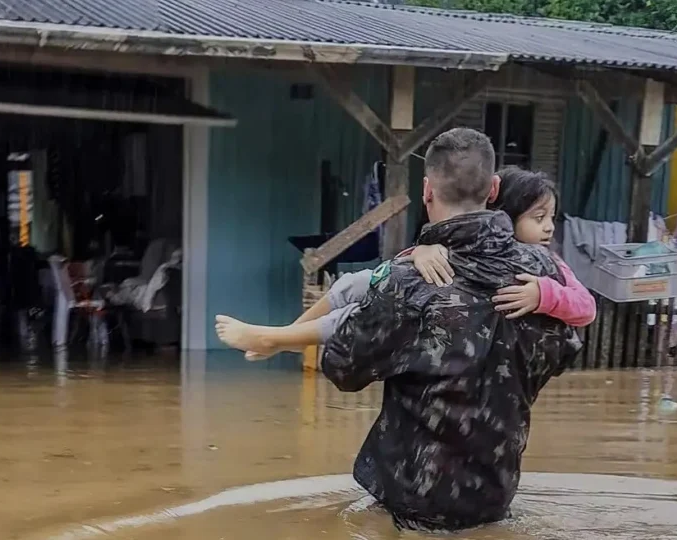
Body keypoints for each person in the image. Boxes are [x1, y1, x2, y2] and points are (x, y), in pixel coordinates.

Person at [224, 127, 582, 531]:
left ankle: (275, 337)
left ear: (427, 190)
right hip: (497, 492)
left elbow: (343, 368)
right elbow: (565, 349)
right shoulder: (545, 272)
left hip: (415, 498)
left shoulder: (408, 280)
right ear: (494, 187)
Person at [214, 167, 595, 358]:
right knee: (355, 284)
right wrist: (421, 251)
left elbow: (586, 308)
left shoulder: (546, 265)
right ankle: (287, 337)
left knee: (363, 315)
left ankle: (276, 340)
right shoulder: (460, 240)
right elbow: (403, 271)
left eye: (550, 218)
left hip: (464, 336)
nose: (547, 228)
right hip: (446, 323)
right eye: (538, 217)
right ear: (502, 211)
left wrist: (544, 294)